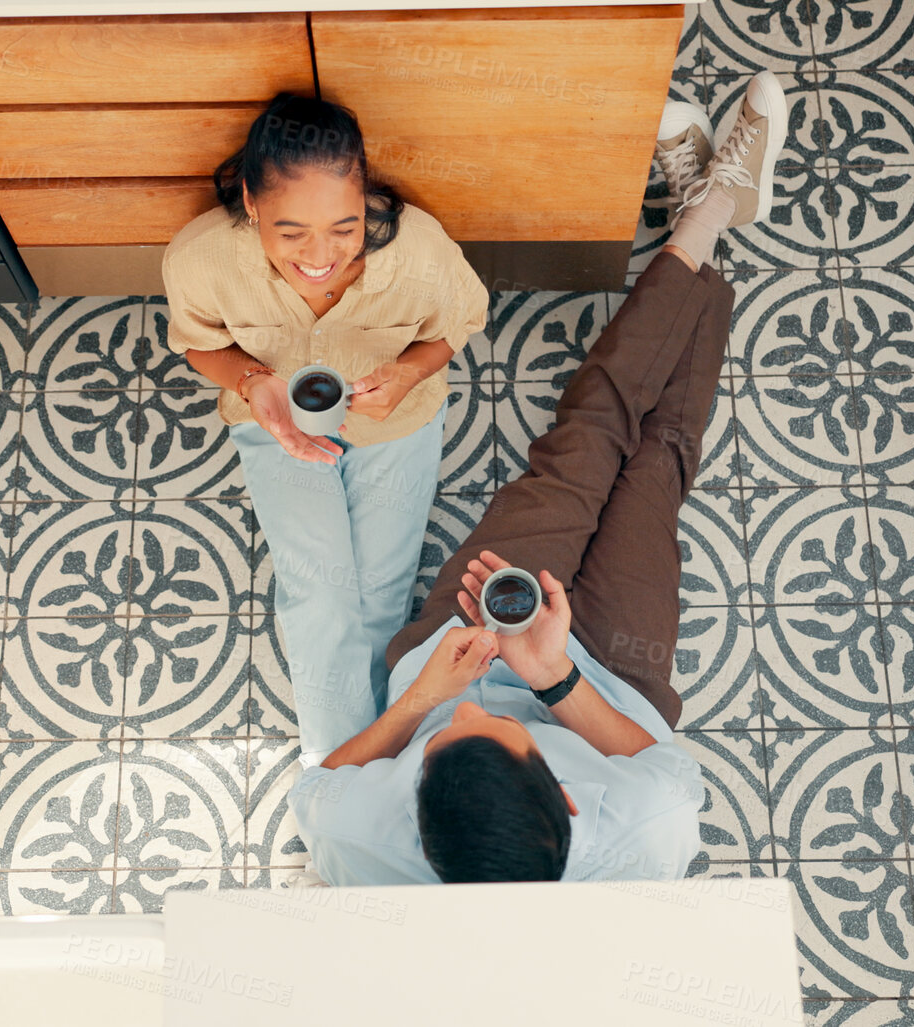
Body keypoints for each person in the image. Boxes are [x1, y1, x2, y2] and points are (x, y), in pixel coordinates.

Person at [286, 72, 789, 884]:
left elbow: (324, 786)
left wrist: (423, 706)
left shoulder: (360, 843)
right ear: (570, 798)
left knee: (585, 442)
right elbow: (664, 770)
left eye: (455, 731)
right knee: (654, 463)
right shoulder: (647, 834)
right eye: (492, 725)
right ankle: (717, 209)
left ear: (415, 808)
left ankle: (707, 214)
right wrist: (552, 678)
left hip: (452, 651)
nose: (481, 705)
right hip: (610, 688)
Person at [161, 95, 488, 765]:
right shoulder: (199, 259)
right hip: (275, 428)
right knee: (320, 590)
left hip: (395, 424)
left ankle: (348, 770)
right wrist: (253, 382)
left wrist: (404, 374)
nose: (321, 256)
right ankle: (348, 769)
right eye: (291, 233)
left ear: (365, 194)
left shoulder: (419, 250)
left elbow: (456, 326)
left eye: (345, 227)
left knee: (378, 598)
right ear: (250, 202)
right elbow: (199, 346)